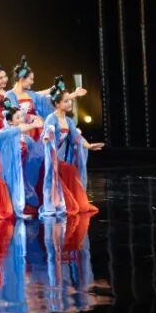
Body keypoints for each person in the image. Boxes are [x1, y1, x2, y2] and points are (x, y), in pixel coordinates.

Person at [44, 77, 104, 215]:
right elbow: (48, 133)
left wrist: (89, 146)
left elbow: (76, 137)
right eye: (66, 101)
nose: (70, 102)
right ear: (57, 104)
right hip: (48, 157)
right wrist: (47, 137)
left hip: (58, 157)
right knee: (67, 170)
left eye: (70, 100)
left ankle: (74, 201)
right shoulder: (51, 118)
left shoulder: (68, 120)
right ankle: (59, 202)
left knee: (71, 170)